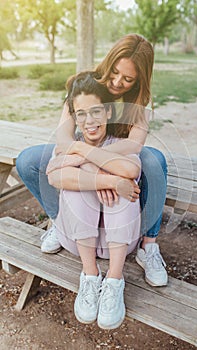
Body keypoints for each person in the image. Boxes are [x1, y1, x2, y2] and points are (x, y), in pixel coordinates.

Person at [16, 33, 168, 287]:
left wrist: (92, 161)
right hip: (80, 149)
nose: (118, 82)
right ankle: (60, 220)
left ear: (140, 79)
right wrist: (85, 158)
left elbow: (133, 144)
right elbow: (63, 136)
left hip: (112, 153)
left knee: (156, 161)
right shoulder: (85, 84)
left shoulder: (141, 100)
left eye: (128, 79)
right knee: (27, 160)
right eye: (115, 73)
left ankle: (148, 245)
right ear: (108, 63)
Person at [50, 71, 141, 329]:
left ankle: (114, 280)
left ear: (108, 113)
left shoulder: (121, 143)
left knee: (128, 189)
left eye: (96, 112)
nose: (89, 121)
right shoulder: (69, 145)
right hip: (78, 242)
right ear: (75, 118)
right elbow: (55, 176)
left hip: (120, 244)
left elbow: (131, 170)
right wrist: (108, 179)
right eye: (81, 114)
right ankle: (90, 275)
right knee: (76, 187)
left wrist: (90, 165)